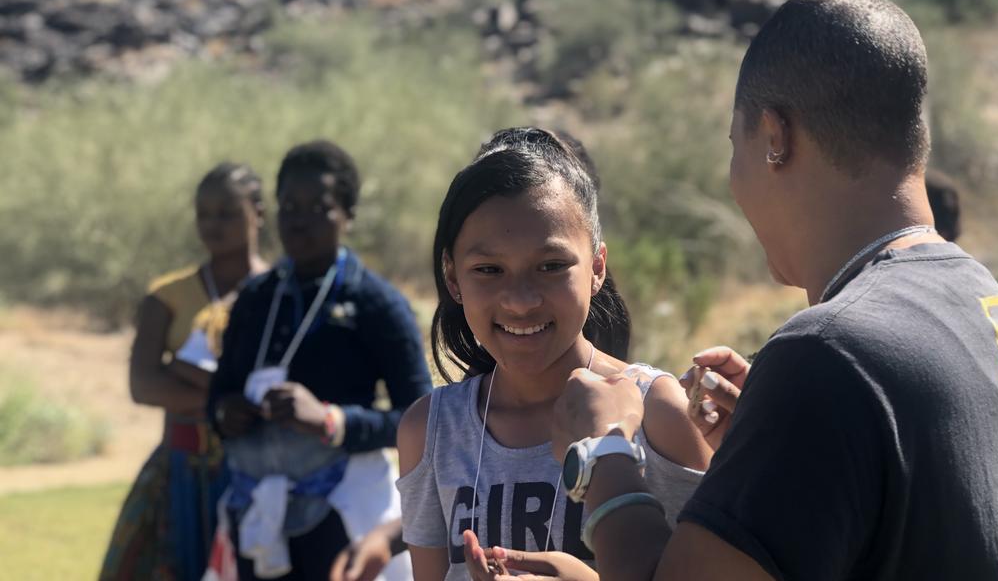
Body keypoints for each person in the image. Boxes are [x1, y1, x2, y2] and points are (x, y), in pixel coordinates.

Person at [549, 0, 998, 581]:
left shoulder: (826, 354)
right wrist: (771, 448)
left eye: (736, 147)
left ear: (775, 136)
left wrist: (604, 454)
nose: (734, 181)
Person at [394, 127, 711, 581]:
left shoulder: (658, 414)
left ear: (598, 267)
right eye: (488, 269)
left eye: (551, 266)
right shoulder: (430, 432)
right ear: (452, 277)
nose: (520, 300)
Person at [207, 140, 433, 581]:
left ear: (347, 214)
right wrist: (224, 412)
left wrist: (332, 421)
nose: (299, 219)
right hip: (254, 509)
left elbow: (422, 418)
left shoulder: (375, 303)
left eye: (318, 207)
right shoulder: (255, 299)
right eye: (289, 205)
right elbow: (219, 392)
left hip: (340, 515)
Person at [101, 162, 269, 581]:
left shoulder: (280, 291)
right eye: (204, 213)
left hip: (260, 468)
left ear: (259, 213)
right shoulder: (166, 296)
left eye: (227, 212)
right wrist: (230, 400)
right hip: (179, 470)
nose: (213, 224)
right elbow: (144, 386)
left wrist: (186, 374)